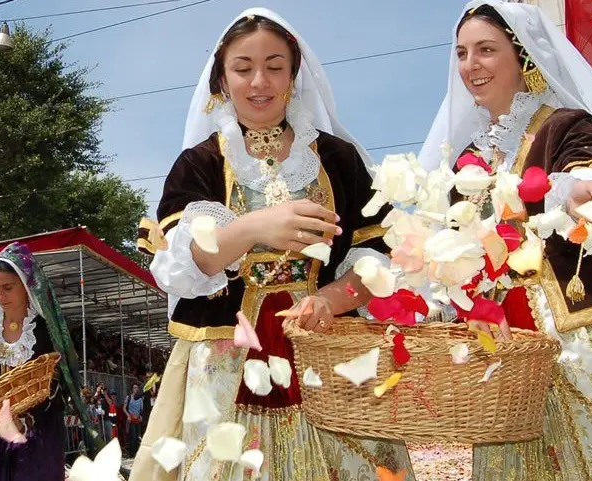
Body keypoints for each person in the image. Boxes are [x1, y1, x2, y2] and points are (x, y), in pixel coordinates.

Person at [131, 8, 413, 481]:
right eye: (243, 68)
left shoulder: (336, 158)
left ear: (294, 75)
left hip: (330, 353)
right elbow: (181, 266)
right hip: (225, 361)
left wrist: (329, 298)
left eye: (275, 66)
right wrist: (254, 227)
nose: (259, 81)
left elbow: (379, 257)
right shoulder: (199, 164)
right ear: (222, 78)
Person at [417, 2, 592, 479]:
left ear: (522, 55)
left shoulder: (563, 123)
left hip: (585, 333)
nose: (471, 66)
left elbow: (585, 172)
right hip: (507, 347)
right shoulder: (465, 159)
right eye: (462, 54)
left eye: (486, 50)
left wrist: (578, 193)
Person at [0, 242, 100, 480]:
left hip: (37, 435)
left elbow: (55, 385)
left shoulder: (46, 329)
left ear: (27, 286)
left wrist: (24, 420)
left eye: (7, 287)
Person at [123, 383, 144, 457]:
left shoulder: (140, 398)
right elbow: (124, 408)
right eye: (134, 387)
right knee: (133, 436)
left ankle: (136, 452)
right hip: (131, 419)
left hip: (137, 419)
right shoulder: (128, 397)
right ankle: (132, 453)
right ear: (132, 389)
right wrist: (128, 416)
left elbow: (142, 410)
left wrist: (141, 416)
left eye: (137, 388)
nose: (136, 389)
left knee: (138, 437)